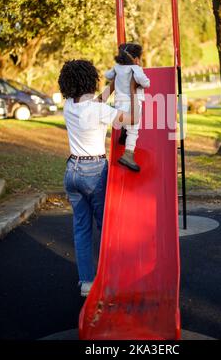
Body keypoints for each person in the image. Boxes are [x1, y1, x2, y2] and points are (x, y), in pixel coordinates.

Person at [58, 59, 139, 297]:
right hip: (94, 171)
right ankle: (111, 276)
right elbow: (132, 118)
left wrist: (113, 85)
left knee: (81, 228)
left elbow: (97, 102)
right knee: (106, 228)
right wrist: (132, 90)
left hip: (71, 170)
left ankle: (86, 282)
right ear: (90, 80)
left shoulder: (69, 105)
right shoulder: (98, 110)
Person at [105, 43, 150, 172]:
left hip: (119, 103)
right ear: (136, 59)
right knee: (133, 131)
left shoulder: (117, 68)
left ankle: (124, 130)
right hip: (132, 103)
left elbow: (107, 76)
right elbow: (146, 83)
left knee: (125, 121)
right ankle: (128, 154)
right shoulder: (135, 69)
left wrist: (116, 75)